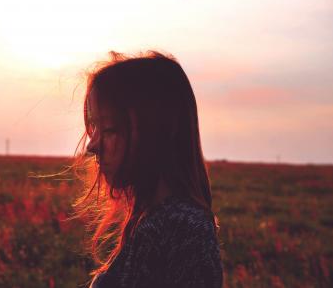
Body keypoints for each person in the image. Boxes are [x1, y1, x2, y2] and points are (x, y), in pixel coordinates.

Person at [72, 51, 223, 288]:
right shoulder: (155, 220)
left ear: (156, 132)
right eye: (94, 127)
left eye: (110, 128)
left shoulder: (181, 229)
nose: (92, 145)